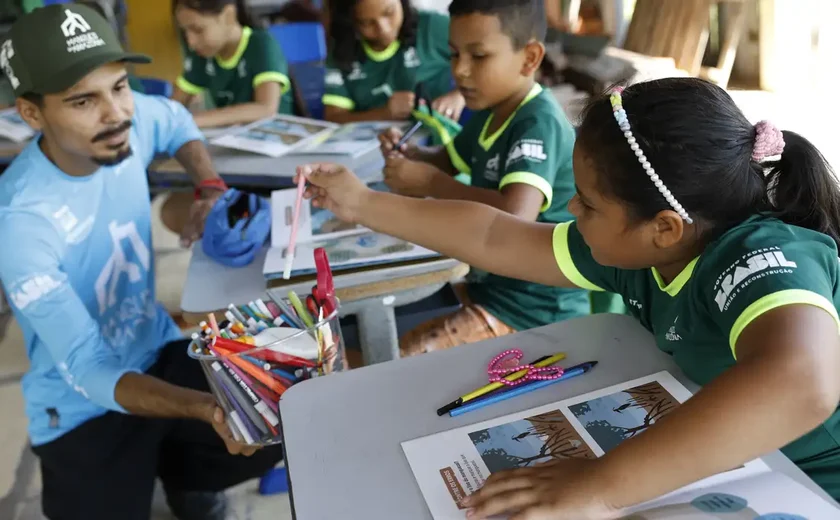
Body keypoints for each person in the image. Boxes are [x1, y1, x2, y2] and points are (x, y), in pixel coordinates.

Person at [295, 76, 840, 516]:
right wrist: (363, 203)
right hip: (737, 457)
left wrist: (599, 487)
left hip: (812, 480)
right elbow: (494, 236)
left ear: (665, 226)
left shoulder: (762, 254)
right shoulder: (645, 250)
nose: (571, 212)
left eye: (588, 203)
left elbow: (802, 382)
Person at [0, 5, 282, 519]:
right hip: (80, 405)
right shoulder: (22, 221)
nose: (117, 114)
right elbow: (87, 366)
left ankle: (188, 481)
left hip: (155, 346)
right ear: (32, 113)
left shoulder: (125, 124)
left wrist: (210, 186)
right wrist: (204, 408)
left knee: (273, 412)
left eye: (121, 86)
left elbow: (175, 122)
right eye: (83, 100)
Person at [378, 0, 590, 357]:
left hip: (534, 312)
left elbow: (514, 215)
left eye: (478, 56)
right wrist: (409, 155)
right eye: (454, 54)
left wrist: (429, 183)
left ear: (529, 58)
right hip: (487, 288)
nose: (459, 71)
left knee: (401, 359)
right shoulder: (491, 110)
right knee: (386, 328)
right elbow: (444, 161)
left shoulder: (536, 122)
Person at [323, 0, 464, 124]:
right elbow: (334, 118)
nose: (384, 29)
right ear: (351, 21)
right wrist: (384, 113)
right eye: (366, 23)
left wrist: (460, 95)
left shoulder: (432, 27)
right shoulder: (342, 49)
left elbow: (484, 57)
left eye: (389, 12)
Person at [172, 0, 293, 128]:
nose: (191, 42)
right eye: (185, 32)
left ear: (228, 16)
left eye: (198, 30)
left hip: (276, 140)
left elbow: (266, 109)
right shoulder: (202, 53)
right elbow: (175, 105)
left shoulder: (261, 44)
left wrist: (192, 120)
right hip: (233, 139)